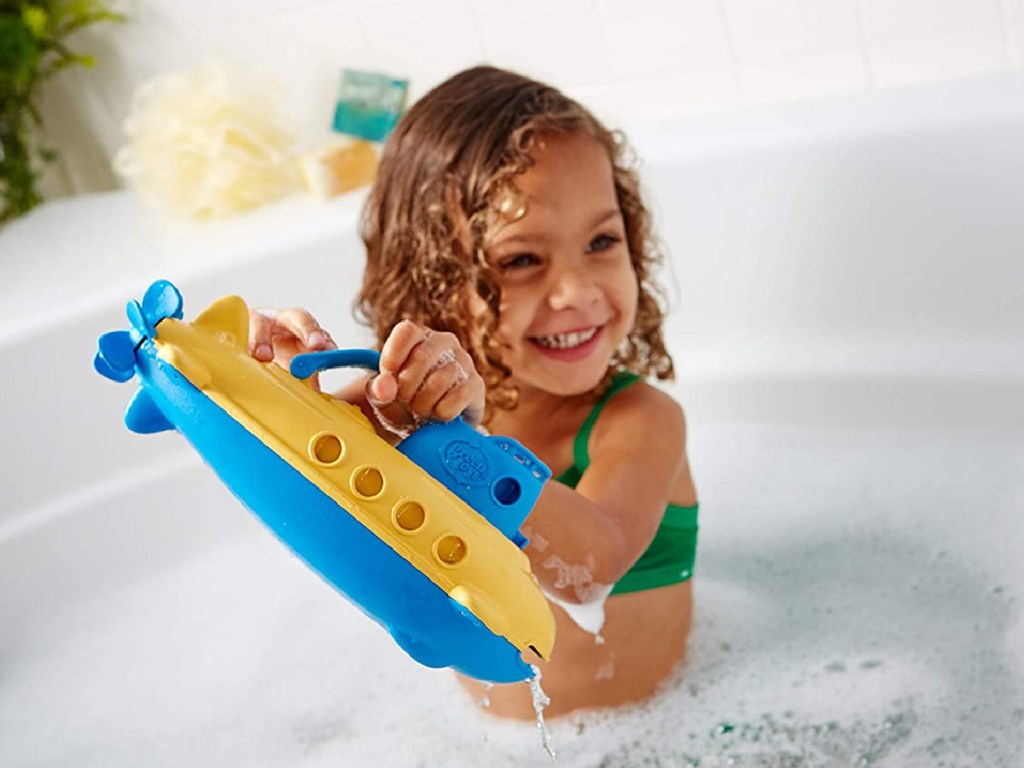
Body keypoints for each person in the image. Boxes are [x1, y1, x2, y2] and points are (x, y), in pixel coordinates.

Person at [248, 66, 699, 720]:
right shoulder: (399, 413)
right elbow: (292, 488)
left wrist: (465, 447)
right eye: (522, 260)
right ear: (435, 279)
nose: (576, 291)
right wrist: (277, 383)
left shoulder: (636, 421)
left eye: (603, 241)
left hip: (666, 733)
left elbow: (592, 566)